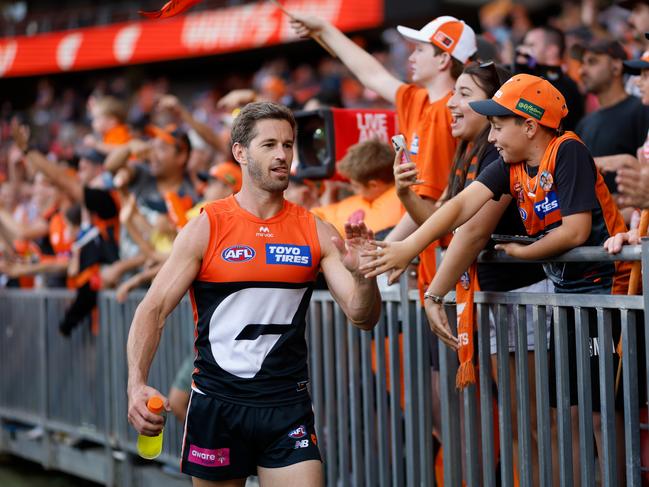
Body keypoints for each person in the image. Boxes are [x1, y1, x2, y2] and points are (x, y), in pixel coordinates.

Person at [361, 74, 631, 485]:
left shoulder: (568, 149)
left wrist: (523, 253)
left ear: (529, 125)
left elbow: (575, 232)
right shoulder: (510, 165)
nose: (492, 136)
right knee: (564, 415)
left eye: (498, 125)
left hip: (605, 296)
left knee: (593, 419)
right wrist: (409, 247)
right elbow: (458, 209)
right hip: (569, 297)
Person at [126, 102, 381, 486]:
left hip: (287, 408)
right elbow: (153, 308)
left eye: (289, 144)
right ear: (240, 152)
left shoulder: (316, 230)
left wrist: (365, 276)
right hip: (218, 404)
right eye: (269, 145)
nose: (282, 155)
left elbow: (363, 316)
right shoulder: (207, 227)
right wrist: (136, 382)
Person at [290, 13, 475, 298]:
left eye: (421, 49)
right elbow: (371, 73)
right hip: (432, 259)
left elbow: (425, 203)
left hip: (449, 264)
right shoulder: (420, 99)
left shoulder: (444, 114)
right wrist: (325, 29)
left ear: (443, 60)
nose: (411, 56)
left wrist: (380, 253)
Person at [575, 39, 649, 199]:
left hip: (632, 218)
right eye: (582, 64)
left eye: (592, 62)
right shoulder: (584, 123)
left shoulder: (641, 109)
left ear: (616, 66)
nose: (582, 71)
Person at [311, 139, 403, 240]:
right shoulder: (369, 197)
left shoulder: (397, 205)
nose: (351, 189)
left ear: (374, 185)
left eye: (356, 186)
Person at [514, 25, 584, 130]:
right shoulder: (533, 76)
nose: (523, 50)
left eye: (531, 45)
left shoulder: (564, 86)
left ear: (551, 50)